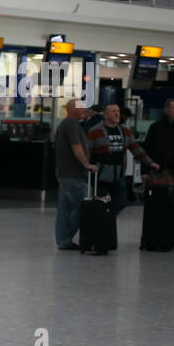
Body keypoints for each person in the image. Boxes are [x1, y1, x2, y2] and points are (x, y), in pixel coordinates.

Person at [85, 103, 157, 215]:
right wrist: (87, 166)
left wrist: (150, 162)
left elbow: (136, 149)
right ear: (106, 115)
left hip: (119, 173)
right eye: (113, 111)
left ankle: (108, 215)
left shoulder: (125, 131)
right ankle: (104, 220)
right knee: (100, 202)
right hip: (100, 175)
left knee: (122, 201)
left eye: (118, 111)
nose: (117, 114)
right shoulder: (95, 131)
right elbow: (87, 152)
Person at [54, 99, 98, 250]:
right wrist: (86, 164)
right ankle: (65, 237)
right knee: (83, 207)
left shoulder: (66, 124)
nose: (85, 110)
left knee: (64, 209)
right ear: (72, 110)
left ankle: (63, 241)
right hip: (73, 174)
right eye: (82, 108)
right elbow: (76, 146)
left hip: (64, 173)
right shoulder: (72, 124)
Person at [142, 99, 174, 201]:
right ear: (166, 109)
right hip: (158, 171)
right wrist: (145, 171)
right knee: (157, 201)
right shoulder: (155, 127)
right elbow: (147, 149)